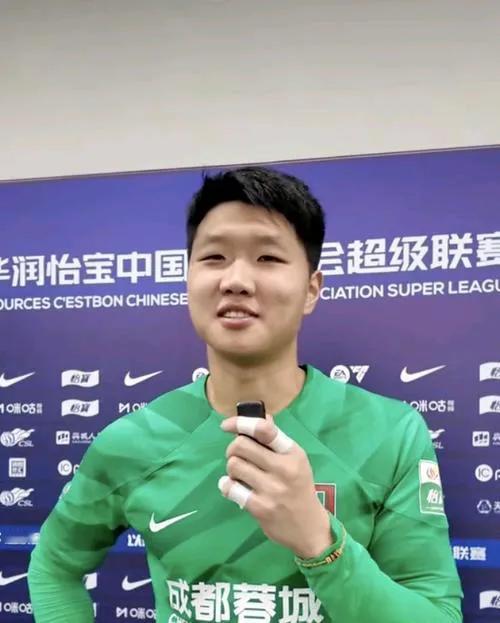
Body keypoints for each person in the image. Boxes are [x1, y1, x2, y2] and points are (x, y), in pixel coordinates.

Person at [28, 166, 463, 622]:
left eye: (267, 258)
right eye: (214, 257)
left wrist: (318, 542)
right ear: (187, 278)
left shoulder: (389, 434)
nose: (236, 280)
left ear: (311, 289)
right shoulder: (133, 441)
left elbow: (437, 616)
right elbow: (54, 566)